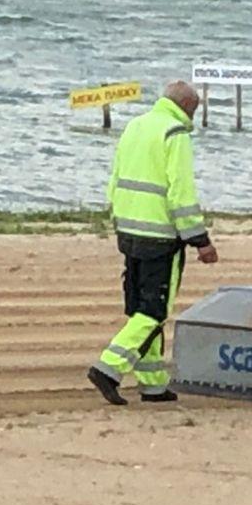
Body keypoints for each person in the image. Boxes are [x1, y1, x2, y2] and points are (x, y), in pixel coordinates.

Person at [88, 80, 218, 405]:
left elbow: (115, 179)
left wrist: (119, 219)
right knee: (154, 311)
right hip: (161, 236)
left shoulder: (135, 125)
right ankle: (108, 368)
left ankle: (153, 383)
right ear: (187, 107)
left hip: (129, 230)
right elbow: (181, 193)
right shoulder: (175, 133)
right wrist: (199, 240)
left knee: (140, 308)